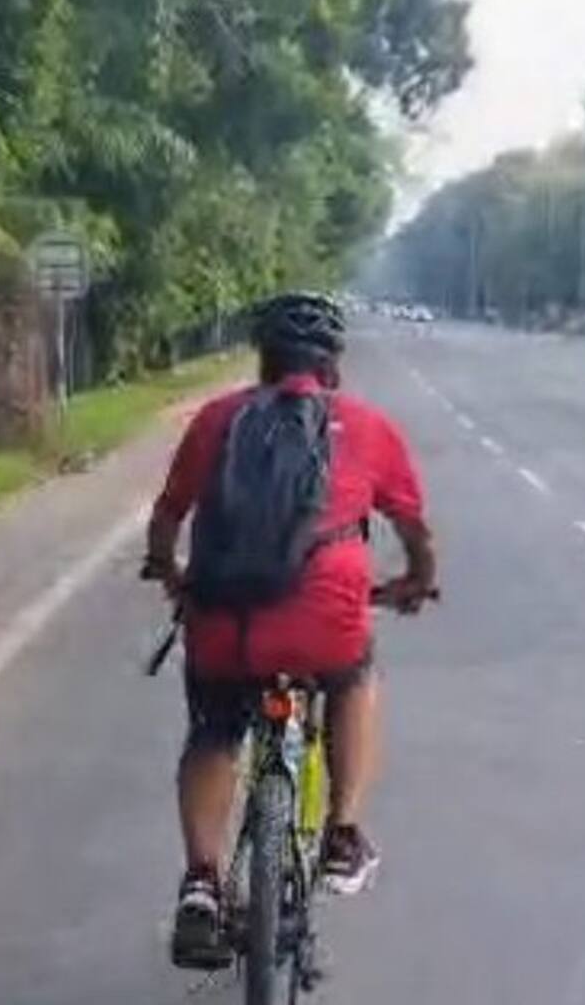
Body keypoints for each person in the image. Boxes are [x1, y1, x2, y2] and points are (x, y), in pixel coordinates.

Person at [143, 292, 438, 970]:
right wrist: (415, 582)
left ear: (263, 360)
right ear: (333, 365)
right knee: (356, 673)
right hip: (327, 618)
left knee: (215, 729)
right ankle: (343, 832)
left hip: (227, 623)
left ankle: (201, 885)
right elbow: (414, 530)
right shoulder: (366, 426)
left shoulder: (218, 419)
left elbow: (166, 520)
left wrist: (170, 575)